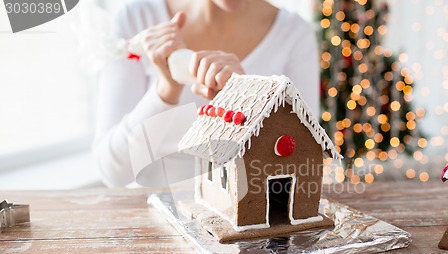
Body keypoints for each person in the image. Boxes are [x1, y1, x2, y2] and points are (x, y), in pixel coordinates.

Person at [93, 0, 320, 187]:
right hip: (147, 222)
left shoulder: (294, 34)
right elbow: (113, 171)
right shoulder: (136, 20)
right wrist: (166, 90)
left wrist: (245, 102)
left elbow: (303, 167)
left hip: (241, 223)